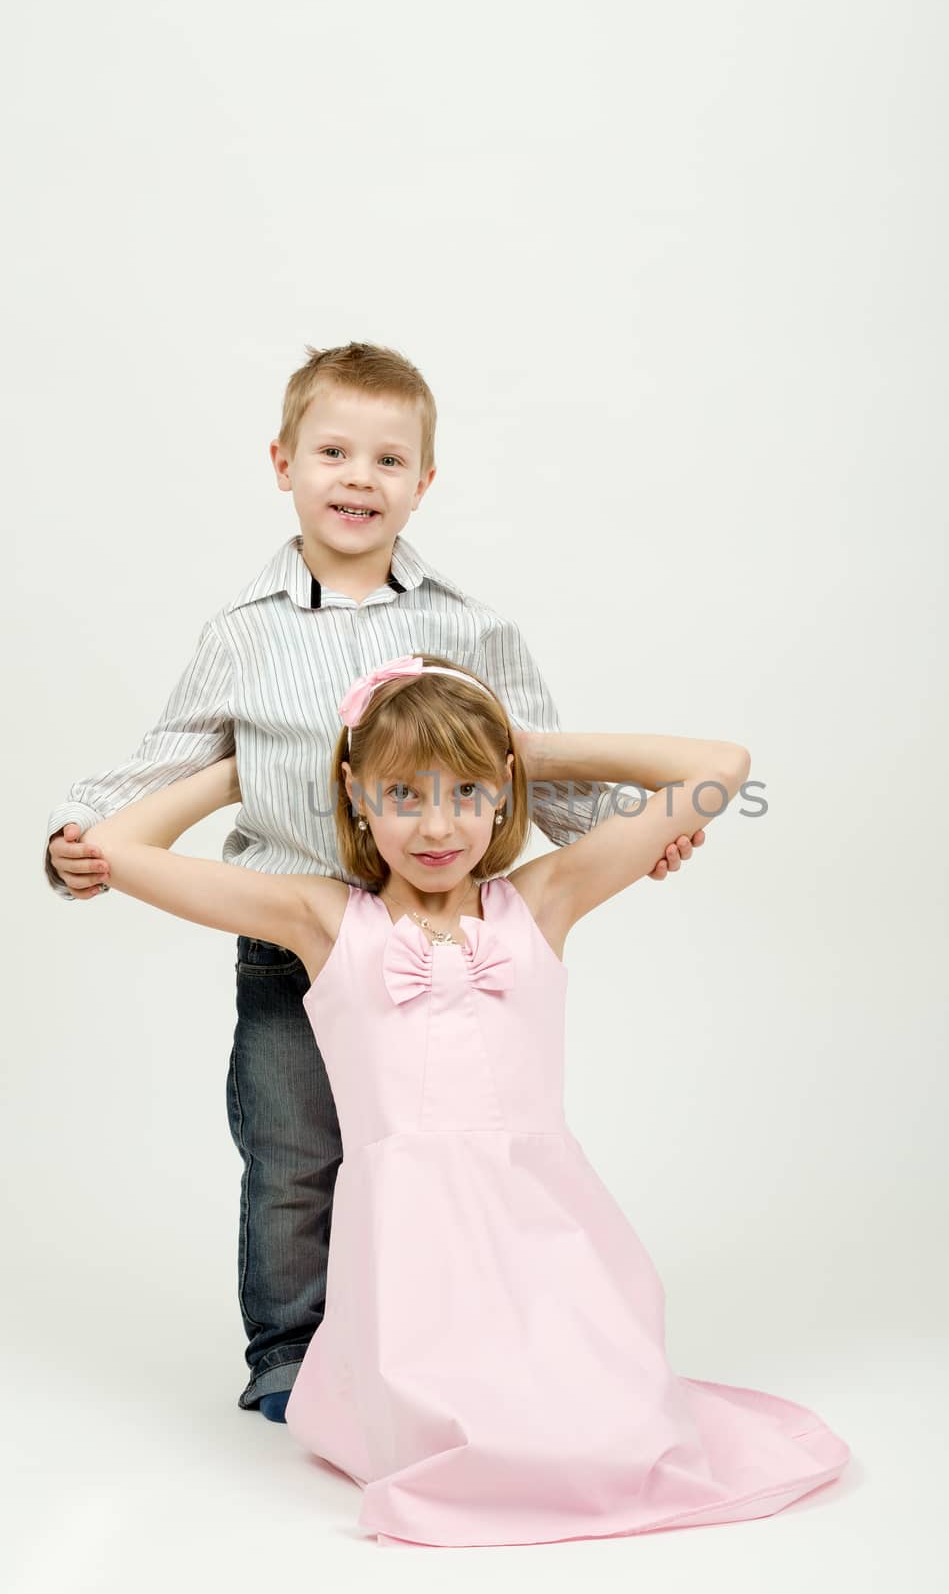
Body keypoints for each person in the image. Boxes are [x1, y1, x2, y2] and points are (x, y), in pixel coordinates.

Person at [43, 341, 702, 1420]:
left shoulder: (468, 627)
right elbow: (170, 755)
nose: (358, 476)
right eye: (334, 452)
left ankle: (431, 1337)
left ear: (422, 482)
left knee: (430, 1151)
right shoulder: (240, 636)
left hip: (433, 928)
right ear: (283, 462)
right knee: (296, 1154)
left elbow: (526, 756)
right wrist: (82, 838)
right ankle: (290, 1358)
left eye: (388, 458)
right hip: (294, 933)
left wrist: (635, 829)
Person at [78, 650, 851, 1549]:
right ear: (357, 797)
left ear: (501, 795)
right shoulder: (321, 920)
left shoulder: (543, 897)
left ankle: (562, 1387)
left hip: (545, 1241)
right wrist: (242, 768)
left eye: (466, 792)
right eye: (403, 793)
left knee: (604, 1430)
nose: (436, 824)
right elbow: (116, 850)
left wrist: (524, 751)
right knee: (463, 1435)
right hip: (410, 1261)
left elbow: (719, 767)